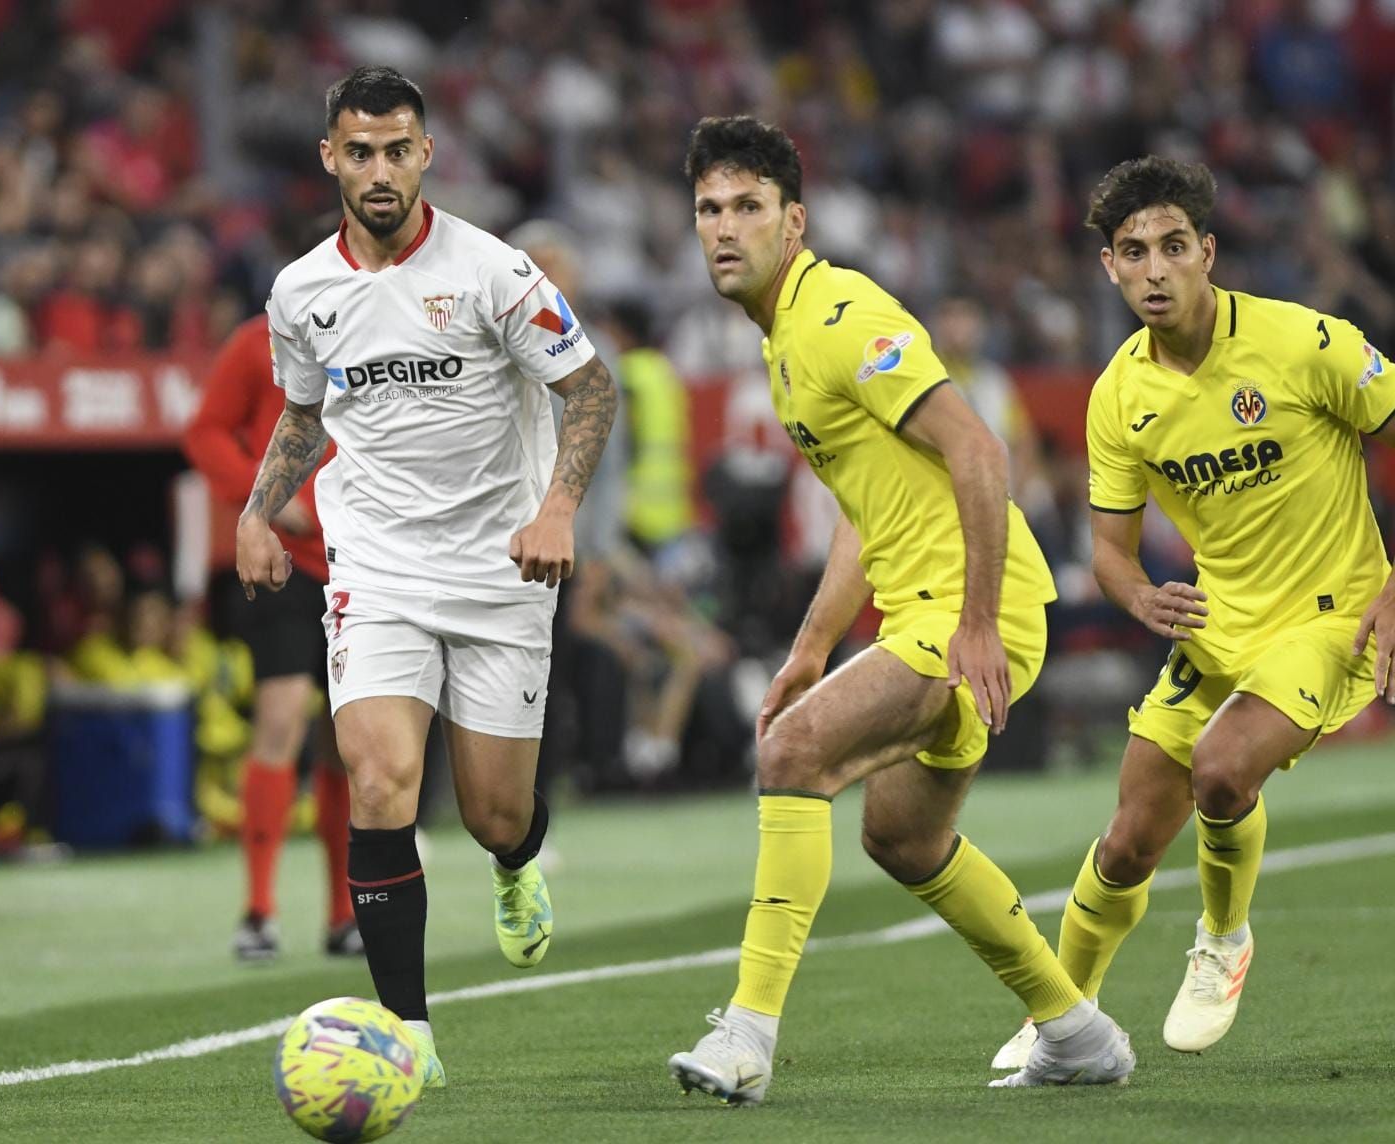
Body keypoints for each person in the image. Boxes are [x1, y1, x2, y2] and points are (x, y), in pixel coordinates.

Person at [666, 115, 1135, 1103]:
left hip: (975, 612)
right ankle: (1074, 1027)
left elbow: (978, 449)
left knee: (792, 753)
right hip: (933, 611)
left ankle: (746, 1034)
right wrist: (810, 646)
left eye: (747, 207)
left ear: (793, 221)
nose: (723, 228)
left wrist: (971, 623)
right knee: (904, 839)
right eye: (709, 208)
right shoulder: (784, 339)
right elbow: (860, 511)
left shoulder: (839, 316)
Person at [235, 66, 617, 1088]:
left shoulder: (495, 271)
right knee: (378, 780)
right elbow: (308, 409)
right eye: (359, 151)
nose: (379, 169)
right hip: (378, 566)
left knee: (494, 810)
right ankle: (407, 1033)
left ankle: (515, 858)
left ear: (425, 153)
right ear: (330, 157)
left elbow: (589, 388)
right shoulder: (300, 291)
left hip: (500, 567)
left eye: (397, 149)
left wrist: (556, 507)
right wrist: (256, 510)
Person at [991, 156, 1395, 1069]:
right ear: (1110, 268)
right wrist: (1137, 594)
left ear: (1208, 253)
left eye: (1174, 246)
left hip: (1331, 615)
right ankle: (1062, 1016)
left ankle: (1223, 939)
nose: (1155, 269)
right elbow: (1107, 549)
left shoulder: (1305, 343)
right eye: (1133, 252)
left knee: (1220, 771)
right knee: (1128, 842)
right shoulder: (1118, 396)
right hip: (1217, 625)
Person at [184, 313, 360, 962]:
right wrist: (262, 496)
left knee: (348, 741)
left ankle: (344, 916)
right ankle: (259, 910)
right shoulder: (262, 338)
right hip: (283, 564)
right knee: (282, 721)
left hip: (362, 566)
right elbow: (204, 432)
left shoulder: (386, 330)